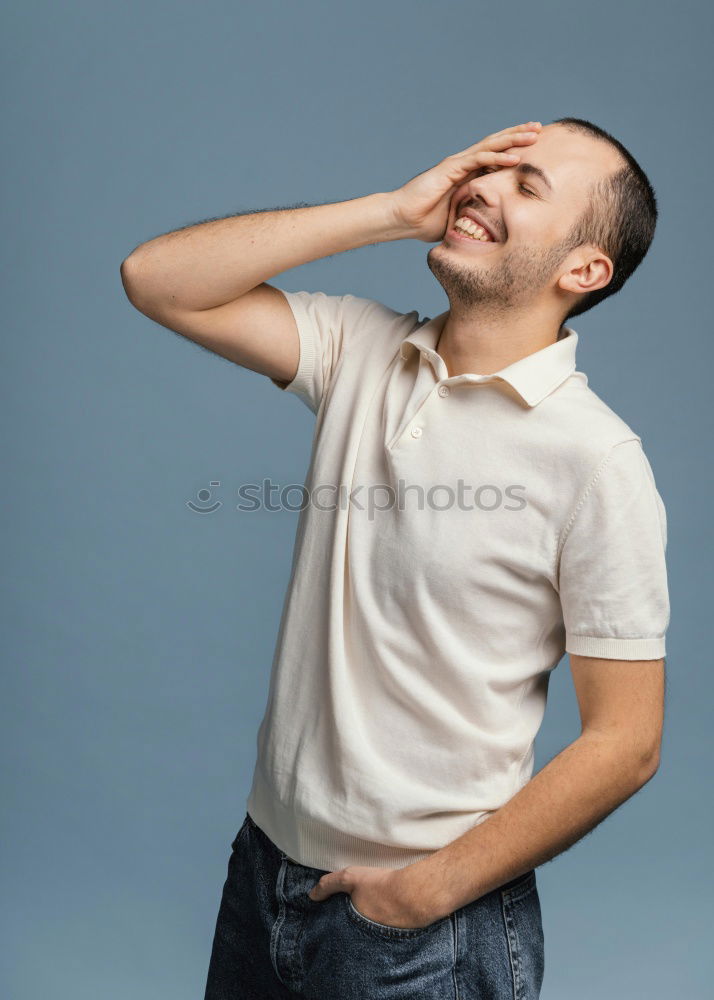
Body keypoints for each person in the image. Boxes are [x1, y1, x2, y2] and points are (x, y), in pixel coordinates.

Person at [120, 117, 670, 999]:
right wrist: (385, 210)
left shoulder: (597, 461)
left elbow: (626, 741)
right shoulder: (361, 352)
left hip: (426, 927)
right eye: (489, 169)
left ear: (584, 270)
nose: (484, 187)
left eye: (528, 187)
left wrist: (425, 891)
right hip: (264, 876)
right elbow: (156, 280)